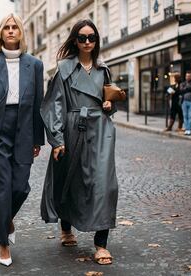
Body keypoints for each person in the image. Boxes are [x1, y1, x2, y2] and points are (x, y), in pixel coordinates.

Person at [40, 19, 118, 266]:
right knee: (69, 179)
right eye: (82, 37)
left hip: (101, 130)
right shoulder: (64, 68)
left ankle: (101, 243)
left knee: (105, 184)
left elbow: (108, 99)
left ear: (96, 40)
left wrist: (110, 105)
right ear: (75, 40)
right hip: (72, 128)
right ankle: (66, 228)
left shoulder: (103, 69)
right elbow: (54, 104)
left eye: (91, 37)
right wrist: (56, 139)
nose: (87, 42)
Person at [0, 13, 44, 267]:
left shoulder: (34, 65)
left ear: (21, 33)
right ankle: (3, 243)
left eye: (15, 27)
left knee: (21, 187)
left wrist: (38, 137)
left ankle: (7, 219)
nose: (11, 31)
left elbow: (38, 104)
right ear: (1, 33)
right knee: (1, 190)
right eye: (7, 28)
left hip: (24, 127)